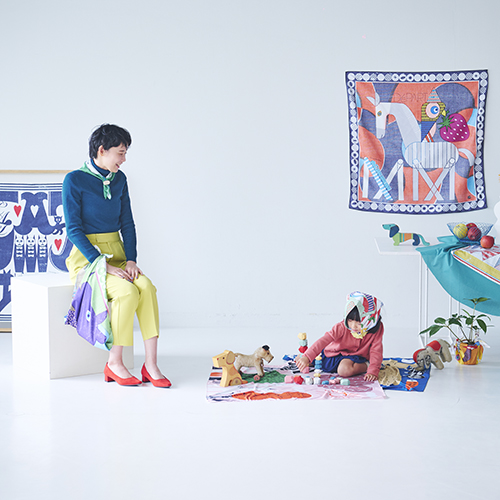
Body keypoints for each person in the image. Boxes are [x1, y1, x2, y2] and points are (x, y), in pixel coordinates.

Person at [62, 123, 171, 387]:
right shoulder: (74, 180)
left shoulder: (120, 179)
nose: (123, 159)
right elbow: (73, 229)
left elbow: (127, 223)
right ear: (102, 150)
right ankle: (114, 362)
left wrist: (131, 260)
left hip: (118, 254)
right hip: (88, 259)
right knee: (127, 292)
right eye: (120, 153)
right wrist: (102, 265)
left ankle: (151, 365)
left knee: (146, 287)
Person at [295, 291, 384, 382]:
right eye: (350, 320)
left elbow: (376, 350)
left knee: (344, 370)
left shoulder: (376, 328)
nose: (353, 326)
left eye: (359, 323)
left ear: (369, 320)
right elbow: (324, 340)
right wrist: (307, 357)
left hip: (355, 357)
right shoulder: (342, 327)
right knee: (300, 359)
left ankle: (366, 365)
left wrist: (373, 370)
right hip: (334, 353)